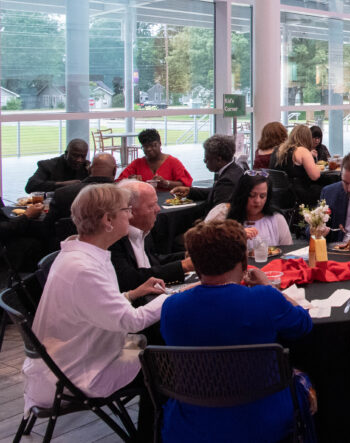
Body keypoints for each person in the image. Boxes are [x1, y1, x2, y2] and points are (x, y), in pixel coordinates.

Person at [22, 183, 167, 436]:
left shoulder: (82, 253)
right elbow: (131, 322)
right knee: (159, 362)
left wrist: (132, 294)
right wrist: (174, 298)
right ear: (107, 220)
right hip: (80, 371)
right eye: (126, 210)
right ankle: (150, 436)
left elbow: (92, 305)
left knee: (151, 341)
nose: (130, 216)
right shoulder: (84, 267)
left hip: (77, 355)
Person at [160, 219, 313, 442]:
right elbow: (303, 325)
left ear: (195, 261)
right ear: (242, 259)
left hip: (190, 422)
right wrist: (270, 289)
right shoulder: (263, 298)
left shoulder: (171, 307)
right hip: (262, 419)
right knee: (303, 377)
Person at [112, 180, 193, 293]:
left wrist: (184, 256)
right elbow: (129, 280)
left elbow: (152, 261)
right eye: (151, 205)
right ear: (129, 210)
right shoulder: (113, 238)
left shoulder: (142, 231)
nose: (158, 209)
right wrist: (183, 266)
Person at [205, 171, 293, 247]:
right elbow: (202, 242)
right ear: (242, 194)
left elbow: (287, 252)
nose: (257, 201)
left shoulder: (276, 218)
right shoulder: (223, 212)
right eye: (252, 195)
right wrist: (233, 235)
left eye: (262, 196)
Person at [171, 134, 245, 215]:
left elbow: (219, 215)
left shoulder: (227, 181)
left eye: (207, 158)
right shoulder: (236, 169)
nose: (204, 161)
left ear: (218, 160)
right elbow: (216, 190)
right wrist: (189, 191)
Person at [115, 129, 192, 190]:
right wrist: (130, 181)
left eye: (153, 145)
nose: (149, 149)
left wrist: (166, 183)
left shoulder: (173, 162)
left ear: (160, 143)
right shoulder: (137, 163)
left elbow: (186, 184)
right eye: (145, 146)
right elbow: (118, 183)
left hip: (169, 201)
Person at [271, 124, 323, 208]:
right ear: (307, 138)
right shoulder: (302, 151)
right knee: (325, 189)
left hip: (276, 195)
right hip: (296, 196)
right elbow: (315, 176)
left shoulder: (278, 149)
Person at [25, 138, 90, 193]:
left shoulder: (87, 167)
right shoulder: (49, 165)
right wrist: (62, 184)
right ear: (66, 154)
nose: (79, 160)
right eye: (75, 155)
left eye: (83, 156)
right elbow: (30, 186)